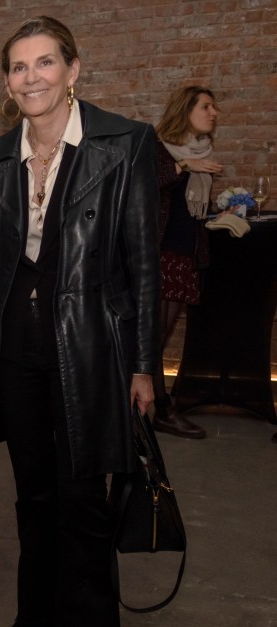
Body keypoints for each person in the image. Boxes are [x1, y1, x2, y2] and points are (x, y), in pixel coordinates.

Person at [0, 17, 158, 627]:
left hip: (89, 354)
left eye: (45, 62)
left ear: (74, 69)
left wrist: (143, 364)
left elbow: (142, 266)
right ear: (6, 81)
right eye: (18, 66)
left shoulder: (122, 144)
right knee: (33, 496)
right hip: (15, 356)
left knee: (83, 502)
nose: (32, 76)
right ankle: (35, 613)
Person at [152, 86, 221, 439]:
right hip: (160, 255)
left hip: (184, 254)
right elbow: (144, 187)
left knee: (157, 339)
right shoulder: (158, 147)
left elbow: (190, 209)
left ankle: (150, 406)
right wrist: (183, 165)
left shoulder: (202, 150)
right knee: (153, 338)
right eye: (206, 106)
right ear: (186, 110)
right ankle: (162, 411)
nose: (213, 112)